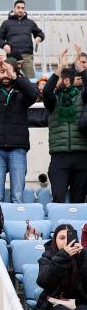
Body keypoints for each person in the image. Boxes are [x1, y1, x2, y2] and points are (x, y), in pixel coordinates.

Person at [0, 54, 37, 203]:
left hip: (18, 148)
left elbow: (33, 95)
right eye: (2, 71)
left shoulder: (22, 92)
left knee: (17, 196)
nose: (5, 74)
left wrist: (15, 77)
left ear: (15, 72)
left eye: (8, 71)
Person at [43, 49, 87, 203]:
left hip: (82, 156)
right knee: (58, 198)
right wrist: (59, 67)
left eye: (58, 79)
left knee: (79, 200)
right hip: (59, 157)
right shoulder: (53, 101)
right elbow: (46, 90)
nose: (56, 82)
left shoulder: (82, 98)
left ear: (66, 81)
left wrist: (81, 69)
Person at [32, 224, 87, 310]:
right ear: (55, 241)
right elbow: (43, 281)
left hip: (80, 302)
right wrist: (63, 256)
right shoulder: (47, 257)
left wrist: (83, 258)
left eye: (69, 238)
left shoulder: (82, 255)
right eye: (62, 238)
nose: (66, 241)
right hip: (54, 303)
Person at [0, 0, 44, 79]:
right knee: (10, 78)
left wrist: (39, 37)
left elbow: (40, 33)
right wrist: (4, 45)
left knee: (30, 80)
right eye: (18, 7)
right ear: (14, 9)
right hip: (12, 56)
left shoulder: (30, 23)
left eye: (22, 8)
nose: (20, 10)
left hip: (27, 56)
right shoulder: (6, 23)